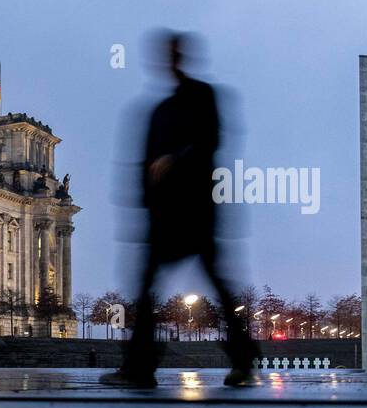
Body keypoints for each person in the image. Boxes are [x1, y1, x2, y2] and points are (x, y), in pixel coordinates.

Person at [102, 31, 256, 388]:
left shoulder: (203, 96)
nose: (167, 62)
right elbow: (141, 163)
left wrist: (175, 159)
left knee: (217, 284)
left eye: (172, 54)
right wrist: (140, 204)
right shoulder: (157, 110)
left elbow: (212, 140)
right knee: (148, 286)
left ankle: (243, 361)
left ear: (182, 57)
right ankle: (140, 368)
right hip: (163, 216)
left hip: (197, 208)